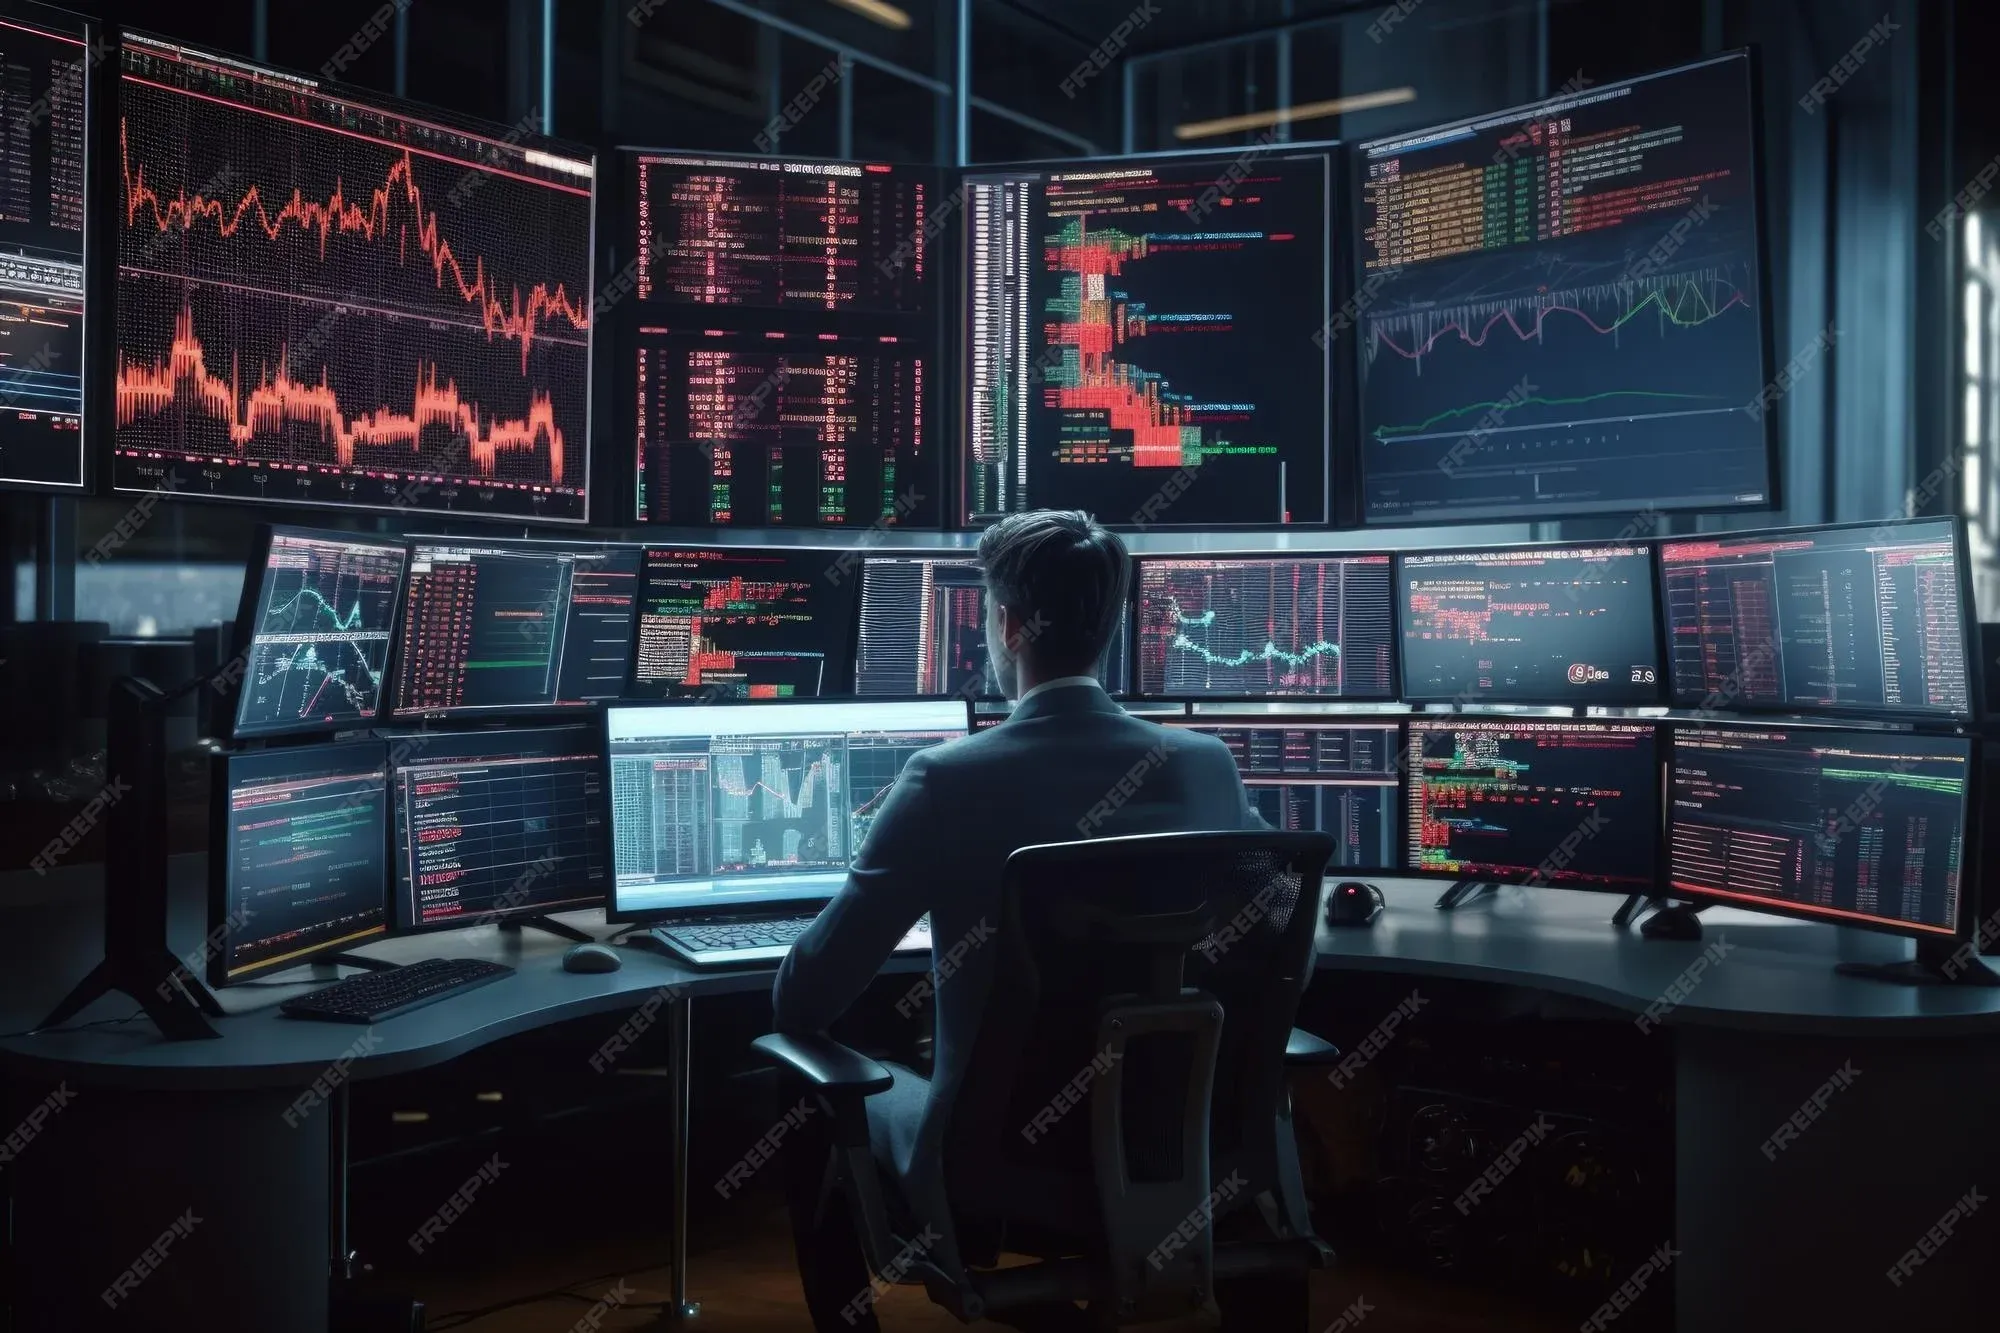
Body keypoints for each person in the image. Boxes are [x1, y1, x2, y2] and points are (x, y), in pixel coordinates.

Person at [771, 509, 1265, 1330]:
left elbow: (805, 1001)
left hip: (996, 1163)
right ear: (1112, 622)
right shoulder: (1206, 766)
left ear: (1005, 624)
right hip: (1185, 1143)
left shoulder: (945, 780)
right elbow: (1281, 962)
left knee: (796, 1077)